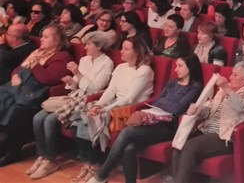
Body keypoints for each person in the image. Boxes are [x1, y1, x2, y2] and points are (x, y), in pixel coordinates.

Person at [85, 54, 203, 183]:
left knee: (127, 132)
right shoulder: (172, 83)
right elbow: (157, 101)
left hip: (169, 126)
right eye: (176, 66)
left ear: (190, 68)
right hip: (153, 119)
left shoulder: (195, 87)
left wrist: (165, 104)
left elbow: (177, 109)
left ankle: (102, 175)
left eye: (180, 66)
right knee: (129, 148)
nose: (176, 69)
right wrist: (167, 104)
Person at [27, 32, 114, 179]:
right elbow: (75, 85)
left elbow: (94, 89)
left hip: (87, 101)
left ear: (99, 46)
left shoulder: (107, 63)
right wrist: (70, 81)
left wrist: (77, 73)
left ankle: (50, 160)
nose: (85, 47)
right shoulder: (85, 59)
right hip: (73, 97)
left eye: (88, 44)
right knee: (38, 118)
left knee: (49, 120)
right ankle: (42, 156)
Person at [70, 36, 154, 179]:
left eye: (126, 49)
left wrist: (104, 110)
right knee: (78, 118)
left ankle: (96, 164)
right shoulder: (121, 67)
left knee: (93, 119)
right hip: (114, 104)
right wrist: (98, 105)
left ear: (137, 52)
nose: (121, 51)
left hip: (130, 109)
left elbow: (129, 98)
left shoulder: (144, 70)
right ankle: (89, 163)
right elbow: (110, 91)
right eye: (122, 48)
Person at [171, 60, 244, 183]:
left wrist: (227, 89)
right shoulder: (223, 91)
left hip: (224, 136)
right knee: (179, 142)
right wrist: (197, 111)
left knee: (191, 147)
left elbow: (242, 107)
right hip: (206, 130)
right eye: (231, 73)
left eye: (235, 75)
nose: (230, 77)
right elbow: (209, 109)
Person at [0, 24, 73, 166]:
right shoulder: (37, 52)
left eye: (46, 37)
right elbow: (18, 68)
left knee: (17, 110)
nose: (42, 40)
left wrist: (35, 65)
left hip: (34, 95)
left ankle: (11, 150)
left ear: (57, 40)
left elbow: (48, 78)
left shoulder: (63, 56)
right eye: (42, 36)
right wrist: (15, 76)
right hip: (17, 88)